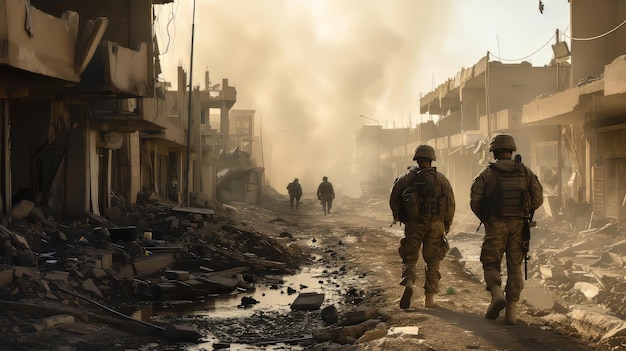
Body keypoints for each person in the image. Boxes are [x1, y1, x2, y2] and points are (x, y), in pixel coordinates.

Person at [470, 133, 543, 324]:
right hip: (519, 225)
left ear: (494, 152)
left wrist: (487, 219)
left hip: (495, 225)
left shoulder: (487, 173)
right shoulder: (525, 172)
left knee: (490, 262)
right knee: (515, 266)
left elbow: (475, 201)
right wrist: (525, 212)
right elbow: (538, 198)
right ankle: (511, 312)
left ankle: (496, 294)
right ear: (511, 151)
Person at [389, 145, 455, 309]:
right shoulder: (441, 179)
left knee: (410, 256)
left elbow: (394, 199)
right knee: (433, 260)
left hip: (414, 224)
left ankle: (409, 282)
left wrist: (400, 217)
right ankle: (429, 299)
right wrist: (446, 224)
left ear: (416, 160)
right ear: (431, 160)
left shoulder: (405, 178)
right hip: (436, 224)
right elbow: (450, 204)